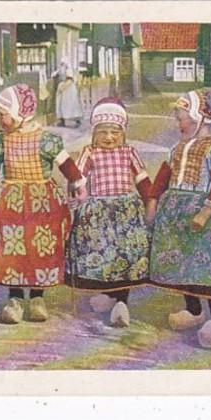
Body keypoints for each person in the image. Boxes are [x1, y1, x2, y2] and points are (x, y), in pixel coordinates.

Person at [0, 84, 87, 324]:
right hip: (10, 202)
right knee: (12, 250)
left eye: (3, 113)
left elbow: (66, 165)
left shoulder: (47, 140)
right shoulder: (1, 141)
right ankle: (15, 299)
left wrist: (78, 182)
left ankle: (38, 298)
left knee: (40, 248)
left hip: (42, 203)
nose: (0, 118)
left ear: (20, 112)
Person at [146, 90, 211, 348]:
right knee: (182, 263)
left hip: (203, 218)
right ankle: (194, 311)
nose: (178, 124)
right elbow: (162, 179)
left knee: (207, 268)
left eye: (181, 118)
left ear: (198, 118)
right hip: (175, 216)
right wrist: (152, 203)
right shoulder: (176, 149)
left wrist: (206, 212)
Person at [67, 97, 152, 327]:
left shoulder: (129, 152)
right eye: (103, 132)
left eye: (114, 132)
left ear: (122, 132)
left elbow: (142, 179)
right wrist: (78, 191)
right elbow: (78, 177)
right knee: (103, 254)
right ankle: (108, 293)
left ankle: (122, 302)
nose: (109, 137)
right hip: (99, 212)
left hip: (126, 212)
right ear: (94, 133)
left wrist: (150, 200)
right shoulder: (89, 152)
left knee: (125, 255)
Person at [52, 57, 83, 128]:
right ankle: (62, 120)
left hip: (69, 89)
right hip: (62, 88)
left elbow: (70, 79)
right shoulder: (61, 69)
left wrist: (64, 87)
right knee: (61, 104)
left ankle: (77, 120)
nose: (62, 65)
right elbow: (56, 74)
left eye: (63, 63)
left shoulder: (69, 70)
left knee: (71, 104)